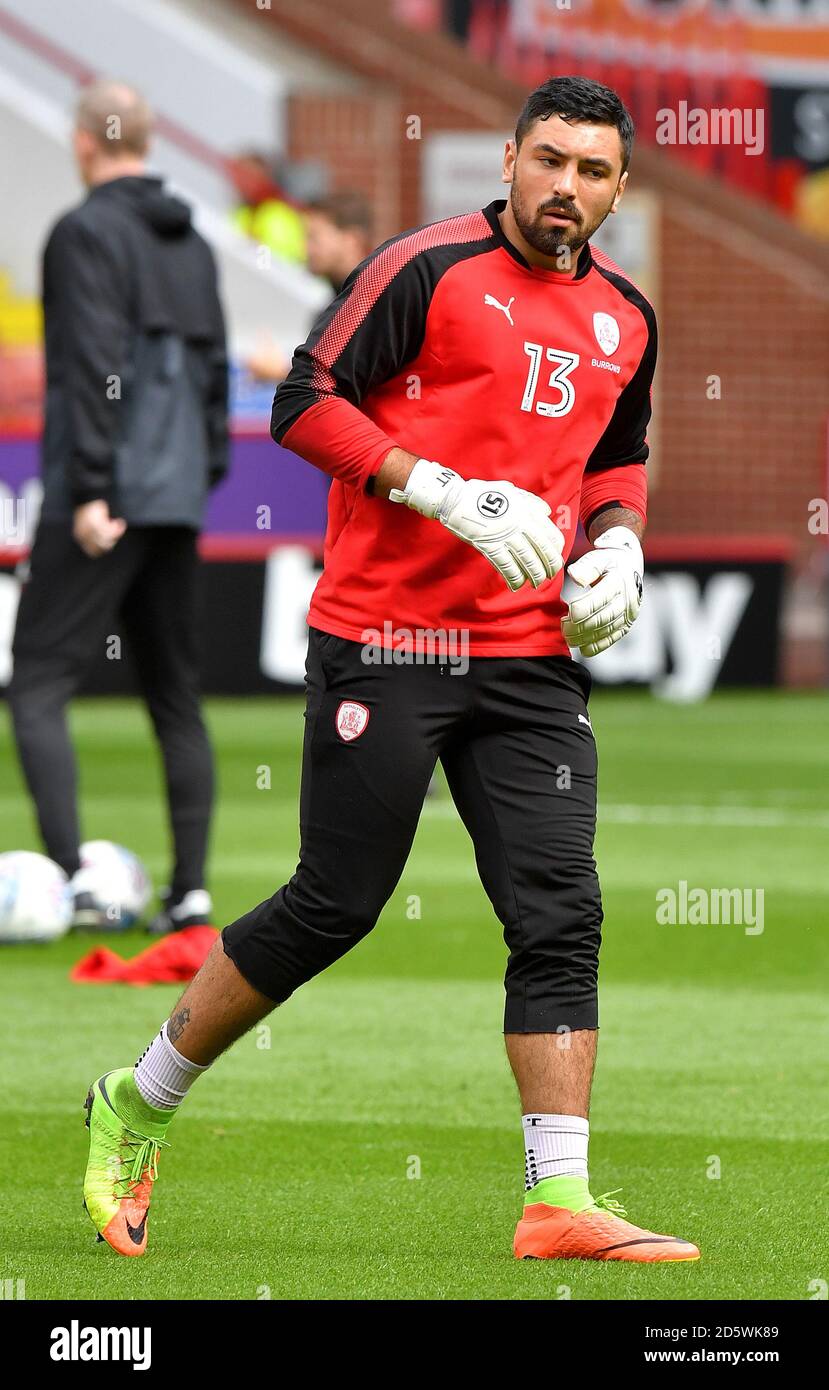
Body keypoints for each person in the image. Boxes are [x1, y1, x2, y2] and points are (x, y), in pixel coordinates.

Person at [82, 76, 700, 1265]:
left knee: (560, 908)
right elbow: (301, 400)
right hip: (388, 638)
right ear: (511, 158)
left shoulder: (628, 312)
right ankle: (138, 1098)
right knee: (337, 903)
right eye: (548, 160)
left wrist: (619, 546)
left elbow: (618, 455)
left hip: (528, 656)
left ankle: (556, 1199)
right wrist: (435, 486)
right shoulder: (424, 267)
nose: (564, 186)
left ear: (620, 189)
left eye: (591, 170)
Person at [8, 80, 228, 935]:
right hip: (175, 498)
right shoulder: (196, 243)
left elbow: (90, 365)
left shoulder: (83, 232)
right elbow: (212, 376)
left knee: (36, 684)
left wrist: (96, 488)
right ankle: (193, 891)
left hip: (101, 497)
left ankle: (70, 881)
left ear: (83, 141)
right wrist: (200, 476)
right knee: (175, 695)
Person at [246, 191, 373, 384]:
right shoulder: (334, 305)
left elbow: (356, 386)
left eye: (314, 238)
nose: (305, 248)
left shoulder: (372, 304)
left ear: (352, 240)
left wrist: (281, 373)